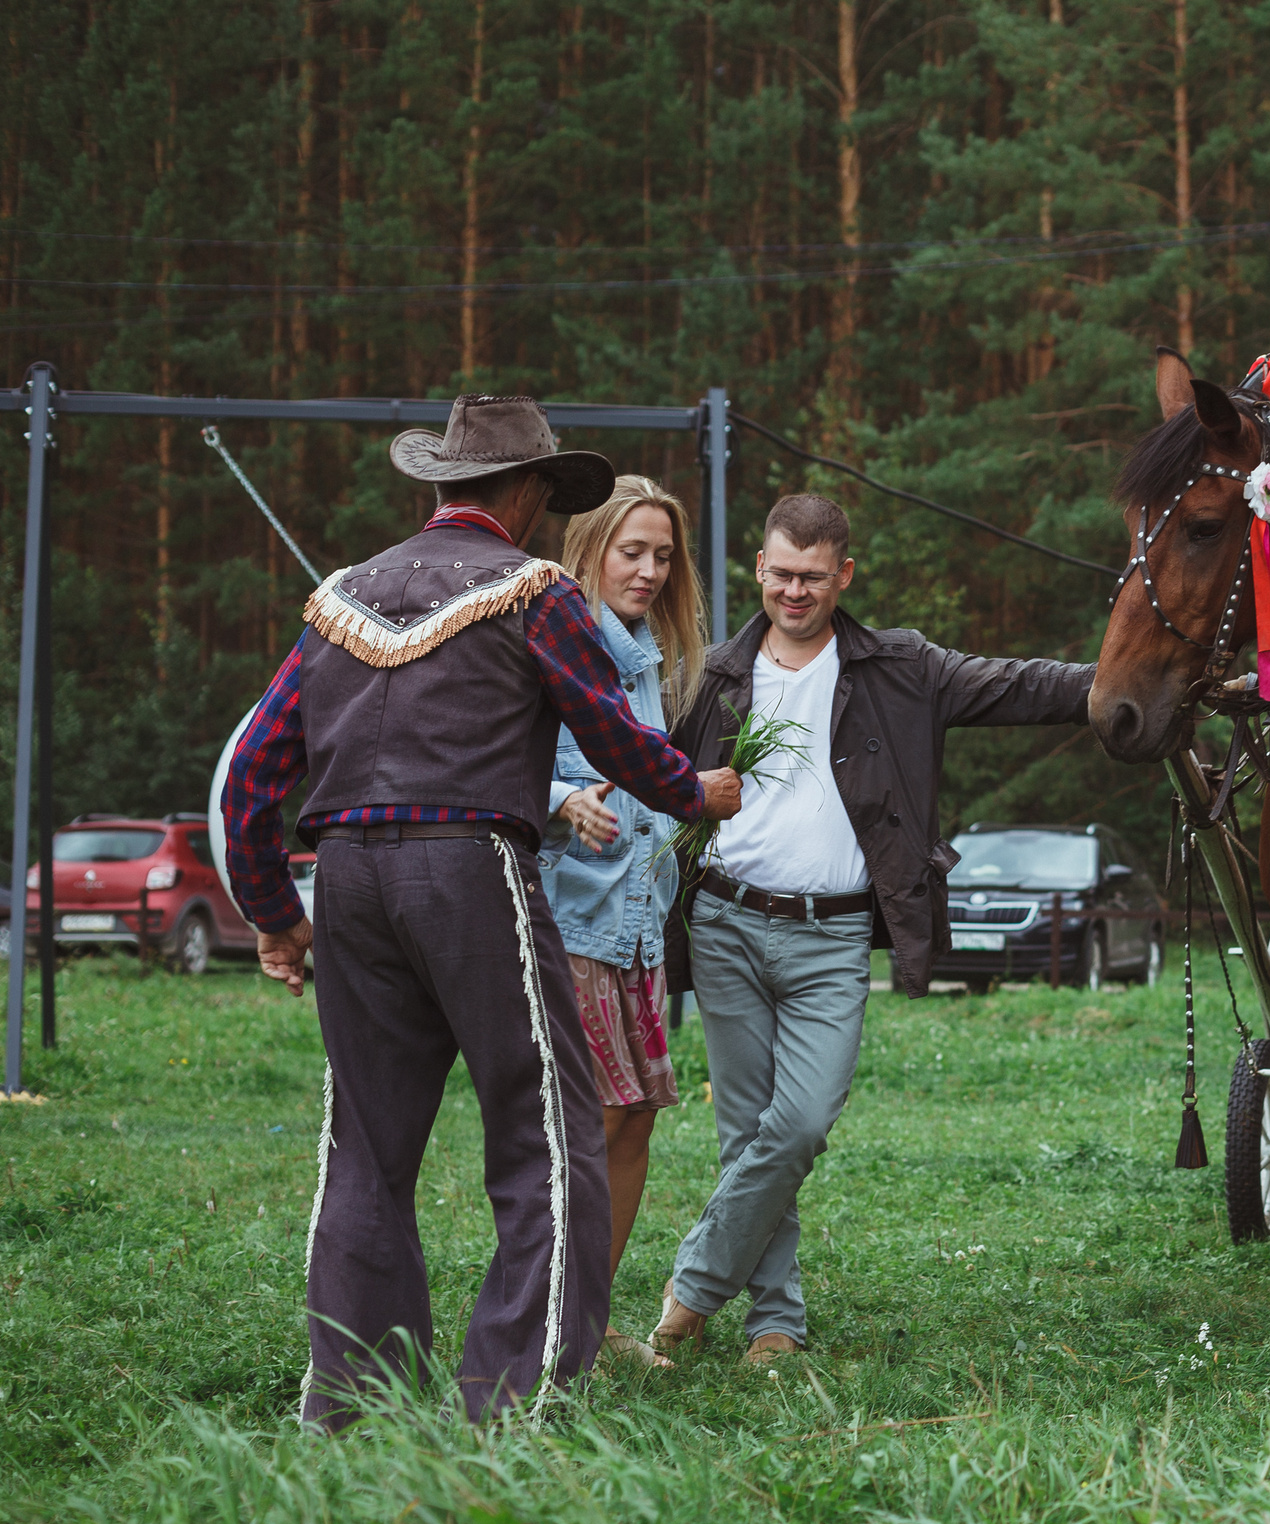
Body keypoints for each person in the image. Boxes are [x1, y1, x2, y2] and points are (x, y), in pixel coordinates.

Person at [223, 394, 743, 1429]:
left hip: (348, 881)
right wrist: (693, 790)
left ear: (442, 483)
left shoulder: (339, 598)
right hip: (470, 870)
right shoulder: (534, 591)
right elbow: (610, 732)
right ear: (529, 491)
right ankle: (514, 1399)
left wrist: (277, 914)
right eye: (546, 493)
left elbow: (250, 780)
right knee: (544, 1130)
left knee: (366, 1145)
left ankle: (352, 1402)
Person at [645, 492, 1094, 1367]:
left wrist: (1119, 678)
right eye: (782, 573)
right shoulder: (710, 675)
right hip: (725, 922)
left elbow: (1015, 685)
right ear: (759, 569)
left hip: (833, 937)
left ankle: (690, 1293)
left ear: (844, 575)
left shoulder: (902, 668)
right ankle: (775, 1323)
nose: (795, 591)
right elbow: (629, 753)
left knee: (800, 1123)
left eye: (814, 577)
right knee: (748, 1133)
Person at [537, 475, 707, 1368]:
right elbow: (492, 756)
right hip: (573, 924)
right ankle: (555, 1322)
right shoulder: (553, 642)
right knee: (595, 1122)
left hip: (638, 927)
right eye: (630, 551)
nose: (648, 571)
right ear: (590, 551)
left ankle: (592, 1323)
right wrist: (562, 799)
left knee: (635, 1120)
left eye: (663, 556)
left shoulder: (646, 662)